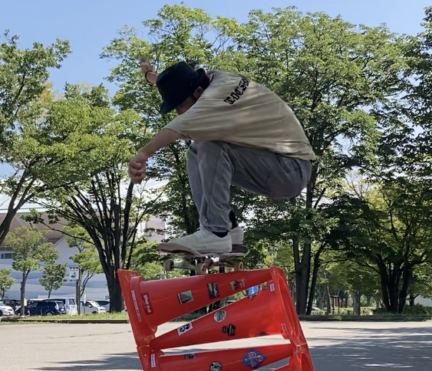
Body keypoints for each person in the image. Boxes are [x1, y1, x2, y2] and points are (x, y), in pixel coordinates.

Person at [128, 58, 316, 255]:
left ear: (197, 92)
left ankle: (215, 233)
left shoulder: (212, 100)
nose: (178, 112)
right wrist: (150, 76)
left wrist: (142, 155)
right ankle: (230, 233)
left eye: (180, 105)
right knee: (195, 152)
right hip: (279, 163)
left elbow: (174, 128)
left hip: (290, 169)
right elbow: (175, 82)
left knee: (208, 143)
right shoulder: (216, 78)